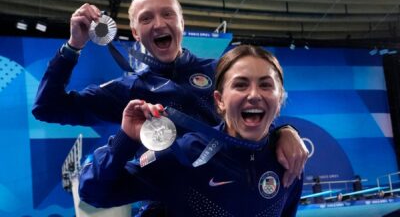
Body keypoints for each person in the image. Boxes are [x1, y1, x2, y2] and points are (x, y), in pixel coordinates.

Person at [32, 0, 307, 187]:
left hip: (235, 196)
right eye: (146, 18)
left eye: (168, 14)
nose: (159, 23)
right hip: (170, 204)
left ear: (181, 23)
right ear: (136, 34)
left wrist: (284, 131)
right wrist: (73, 47)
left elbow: (254, 117)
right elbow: (47, 107)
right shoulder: (126, 92)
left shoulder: (221, 71)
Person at [79, 45, 303, 216]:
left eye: (266, 85)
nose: (254, 94)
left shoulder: (290, 160)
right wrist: (124, 141)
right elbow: (93, 192)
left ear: (280, 97)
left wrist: (285, 131)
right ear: (220, 100)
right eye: (240, 85)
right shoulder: (184, 154)